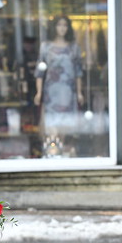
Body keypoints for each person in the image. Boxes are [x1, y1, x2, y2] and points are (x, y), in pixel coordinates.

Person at [34, 15, 83, 156]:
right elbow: (40, 71)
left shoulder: (74, 47)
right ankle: (51, 150)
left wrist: (79, 92)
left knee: (66, 122)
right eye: (59, 25)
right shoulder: (46, 47)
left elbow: (78, 71)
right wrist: (39, 92)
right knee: (52, 121)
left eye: (65, 25)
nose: (62, 28)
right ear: (54, 27)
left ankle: (62, 149)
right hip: (51, 90)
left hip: (68, 90)